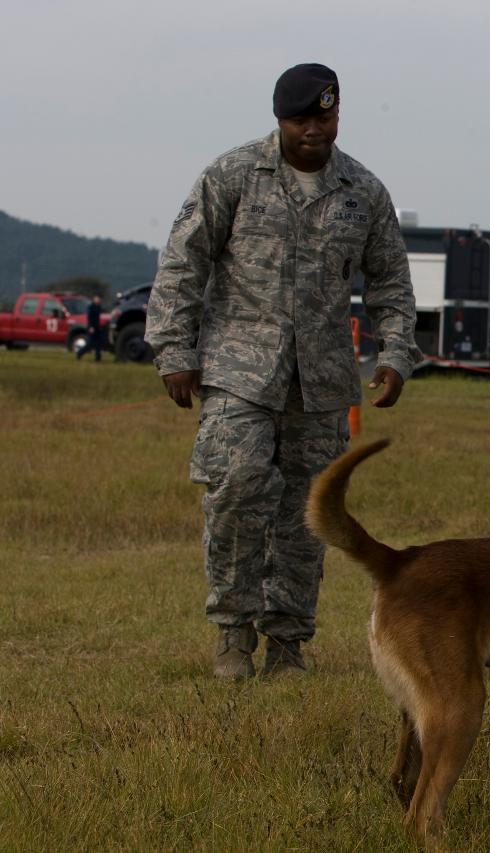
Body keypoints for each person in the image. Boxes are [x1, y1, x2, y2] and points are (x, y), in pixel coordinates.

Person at [145, 63, 418, 680]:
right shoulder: (235, 174)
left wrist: (396, 354)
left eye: (324, 118)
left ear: (338, 115)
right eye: (301, 121)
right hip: (239, 372)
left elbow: (392, 283)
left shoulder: (362, 192)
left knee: (308, 511)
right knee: (237, 489)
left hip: (320, 382)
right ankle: (233, 635)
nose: (314, 131)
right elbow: (182, 262)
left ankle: (288, 644)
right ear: (279, 120)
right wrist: (173, 350)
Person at [75, 294, 103, 361]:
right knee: (89, 344)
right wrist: (91, 327)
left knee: (98, 344)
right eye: (97, 298)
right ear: (94, 299)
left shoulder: (98, 307)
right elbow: (89, 318)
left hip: (97, 328)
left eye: (99, 299)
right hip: (92, 327)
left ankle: (98, 358)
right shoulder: (91, 307)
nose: (99, 300)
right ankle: (79, 353)